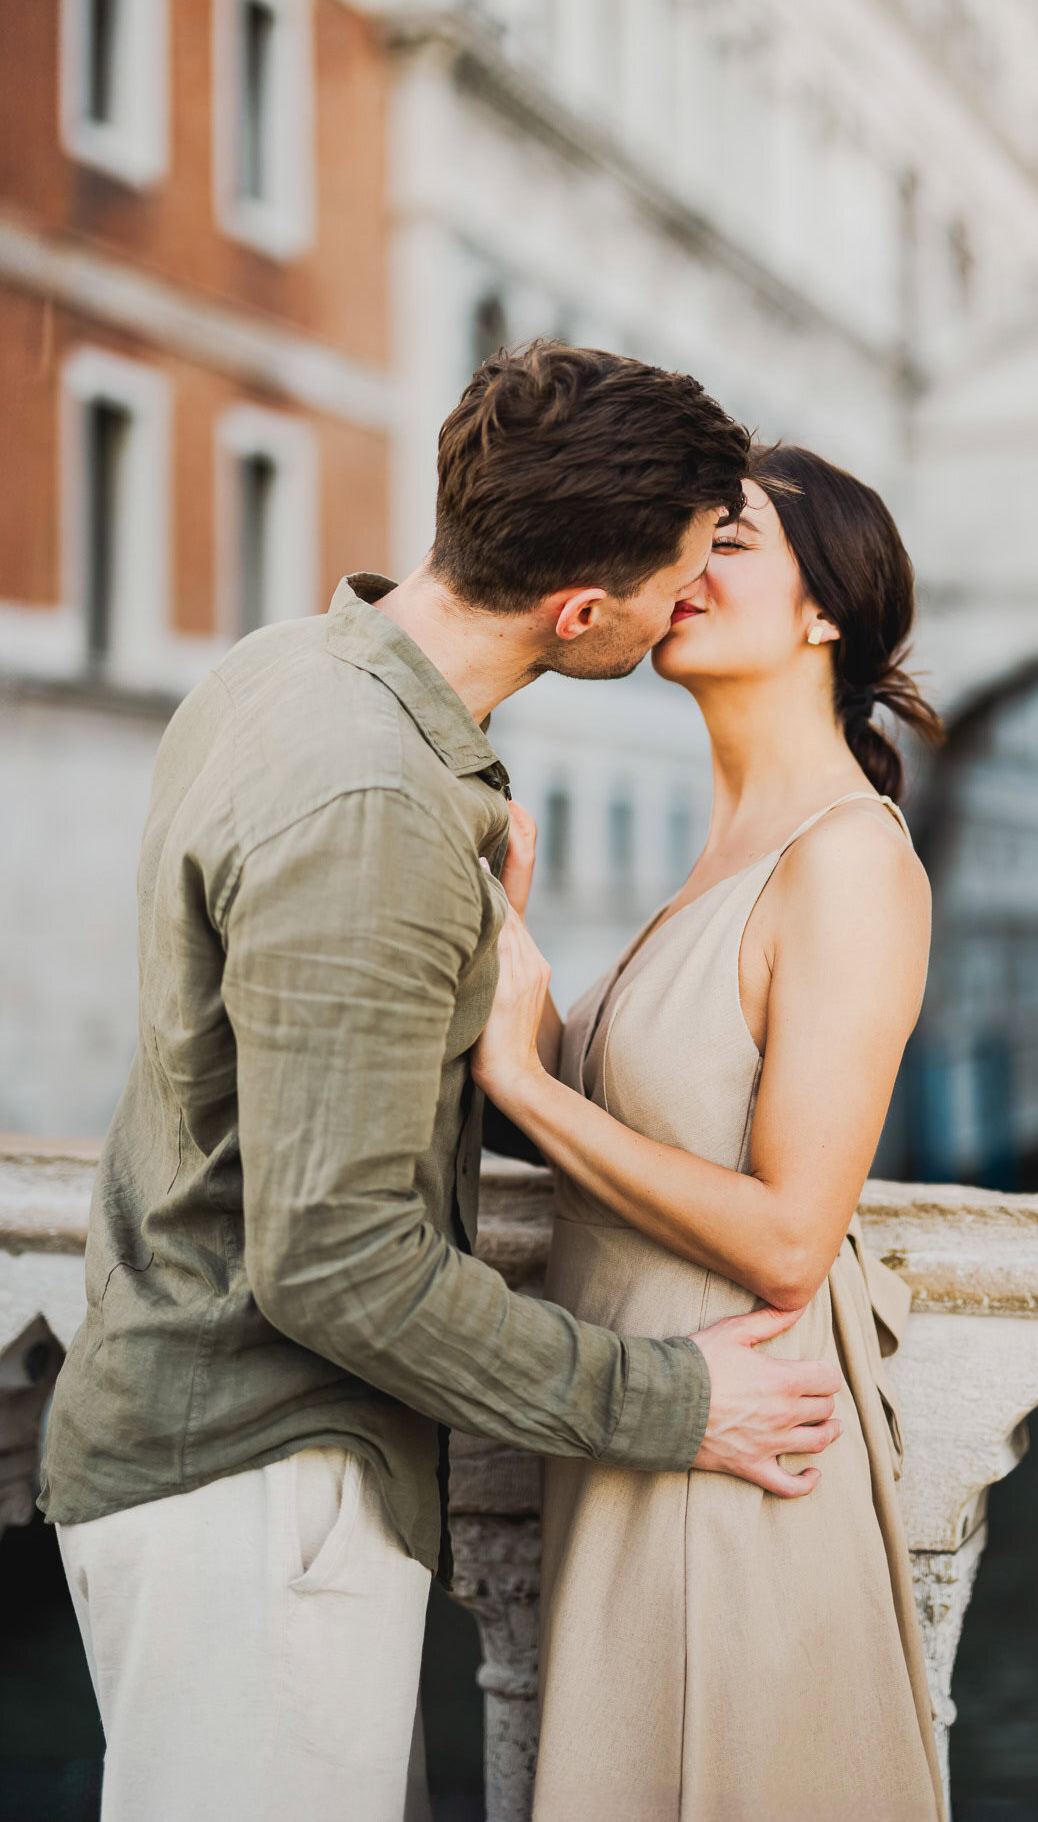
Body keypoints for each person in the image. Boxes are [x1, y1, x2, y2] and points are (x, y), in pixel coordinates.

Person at [38, 348, 845, 1822]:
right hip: (257, 1494)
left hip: (219, 1478)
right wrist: (678, 1405)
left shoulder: (284, 672)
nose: (687, 604)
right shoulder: (374, 805)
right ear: (581, 613)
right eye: (677, 576)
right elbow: (337, 1264)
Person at [470, 443, 950, 1821]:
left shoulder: (851, 861)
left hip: (737, 1455)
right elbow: (641, 1115)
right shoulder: (732, 844)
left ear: (824, 613)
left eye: (728, 541)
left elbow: (794, 1238)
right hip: (643, 1432)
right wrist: (519, 966)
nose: (686, 565)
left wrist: (531, 1081)